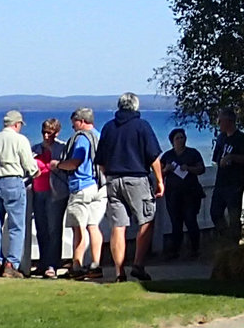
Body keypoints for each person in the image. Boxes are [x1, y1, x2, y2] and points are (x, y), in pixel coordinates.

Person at [93, 92, 165, 281]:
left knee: (118, 226)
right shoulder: (142, 126)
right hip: (136, 178)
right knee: (146, 220)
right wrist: (159, 181)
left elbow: (100, 161)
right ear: (135, 106)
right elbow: (153, 157)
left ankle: (119, 272)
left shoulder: (109, 127)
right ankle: (138, 264)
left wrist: (109, 176)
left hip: (113, 179)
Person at [0, 110, 34, 276]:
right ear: (17, 124)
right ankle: (11, 265)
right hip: (13, 181)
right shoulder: (20, 140)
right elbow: (30, 165)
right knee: (16, 226)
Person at [60, 106, 106, 278]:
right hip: (99, 186)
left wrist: (58, 165)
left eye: (74, 123)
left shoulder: (81, 138)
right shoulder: (100, 136)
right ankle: (96, 264)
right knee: (93, 226)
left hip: (81, 185)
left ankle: (77, 265)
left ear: (81, 121)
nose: (73, 127)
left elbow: (75, 162)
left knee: (78, 227)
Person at [28, 117, 68, 277]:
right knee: (41, 229)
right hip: (38, 192)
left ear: (56, 133)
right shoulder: (35, 149)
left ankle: (52, 264)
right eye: (44, 132)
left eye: (49, 133)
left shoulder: (62, 149)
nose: (46, 136)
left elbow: (67, 168)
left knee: (54, 229)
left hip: (56, 193)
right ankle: (43, 262)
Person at [158, 129, 207, 260]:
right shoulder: (168, 156)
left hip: (191, 193)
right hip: (173, 194)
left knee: (191, 220)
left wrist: (189, 168)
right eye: (177, 138)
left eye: (182, 137)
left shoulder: (193, 153)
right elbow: (159, 172)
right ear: (172, 141)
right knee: (176, 222)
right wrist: (166, 169)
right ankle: (175, 251)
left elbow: (201, 169)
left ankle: (195, 249)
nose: (180, 140)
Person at [210, 110, 244, 240]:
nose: (218, 124)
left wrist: (232, 157)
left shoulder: (241, 138)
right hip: (221, 182)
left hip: (235, 183)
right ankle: (226, 237)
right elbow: (216, 158)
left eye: (220, 121)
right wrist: (221, 160)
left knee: (234, 215)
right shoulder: (221, 138)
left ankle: (233, 245)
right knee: (215, 213)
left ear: (229, 121)